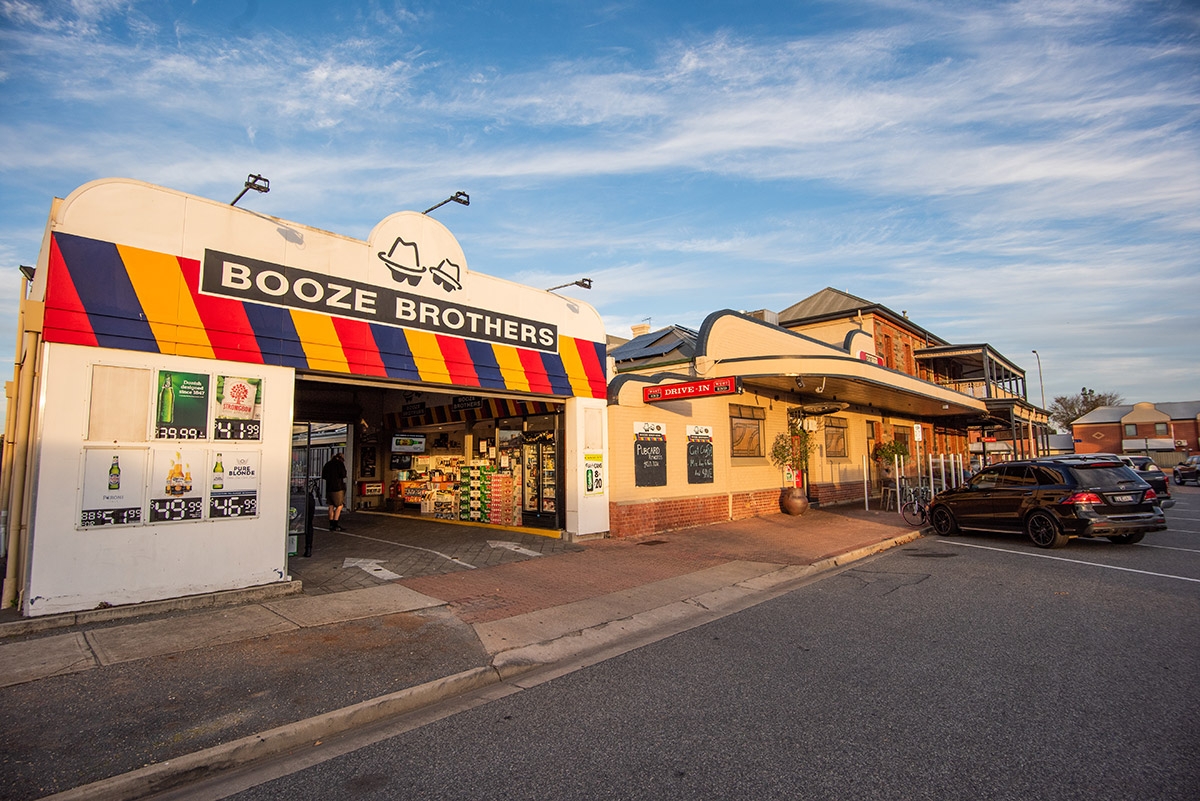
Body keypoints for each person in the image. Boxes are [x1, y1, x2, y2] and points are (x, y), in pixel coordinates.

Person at [321, 452, 347, 531]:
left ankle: (331, 524)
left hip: (329, 488)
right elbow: (343, 474)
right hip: (338, 488)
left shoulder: (327, 464)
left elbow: (324, 476)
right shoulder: (340, 464)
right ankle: (336, 524)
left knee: (331, 505)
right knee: (340, 505)